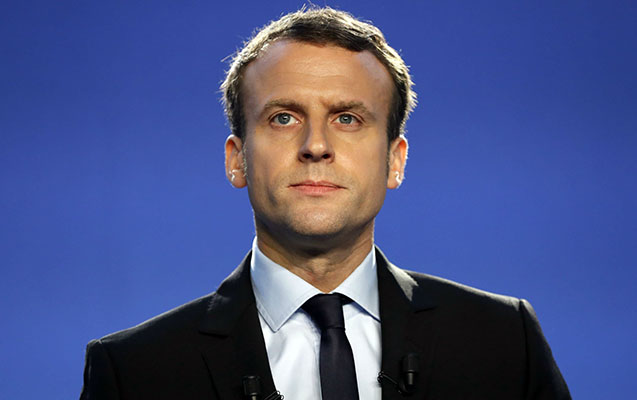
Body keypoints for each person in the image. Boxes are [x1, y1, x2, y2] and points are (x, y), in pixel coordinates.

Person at [80, 7, 571, 400]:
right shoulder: (135, 372)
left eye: (348, 119)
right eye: (284, 118)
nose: (316, 145)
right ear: (237, 160)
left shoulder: (505, 342)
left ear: (395, 161)